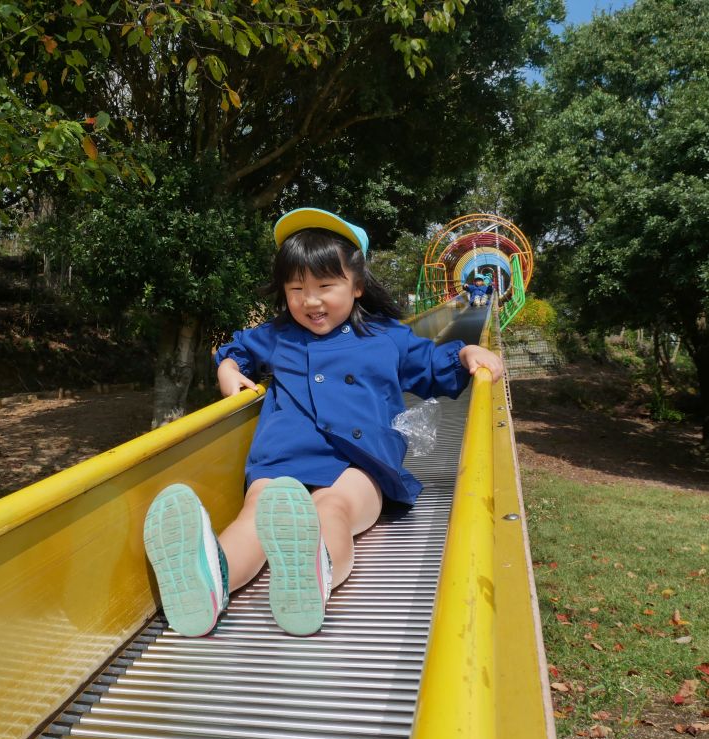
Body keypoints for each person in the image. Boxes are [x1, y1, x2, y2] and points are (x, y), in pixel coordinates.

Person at [143, 208, 504, 638]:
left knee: (332, 508)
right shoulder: (279, 335)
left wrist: (464, 354)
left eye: (324, 286)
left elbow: (430, 364)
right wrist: (228, 369)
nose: (309, 301)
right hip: (284, 457)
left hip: (361, 462)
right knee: (256, 515)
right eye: (296, 289)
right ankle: (209, 582)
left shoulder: (384, 335)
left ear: (357, 285)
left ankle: (314, 573)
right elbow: (238, 348)